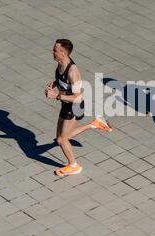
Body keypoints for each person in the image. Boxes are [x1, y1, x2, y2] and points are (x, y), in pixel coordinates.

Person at [45, 39, 112, 176]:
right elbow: (64, 82)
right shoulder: (60, 64)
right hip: (66, 104)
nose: (52, 52)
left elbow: (78, 97)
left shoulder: (72, 71)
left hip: (74, 107)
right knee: (61, 137)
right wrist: (55, 84)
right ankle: (94, 124)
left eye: (55, 50)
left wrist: (56, 96)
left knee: (61, 139)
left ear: (63, 53)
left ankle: (74, 165)